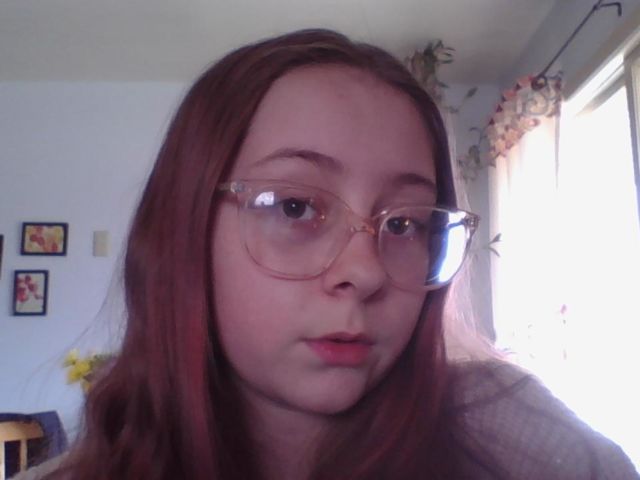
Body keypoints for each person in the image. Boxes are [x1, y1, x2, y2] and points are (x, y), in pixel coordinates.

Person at [24, 29, 637, 479]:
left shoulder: (522, 442)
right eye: (295, 207)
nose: (366, 272)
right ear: (183, 232)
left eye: (404, 223)